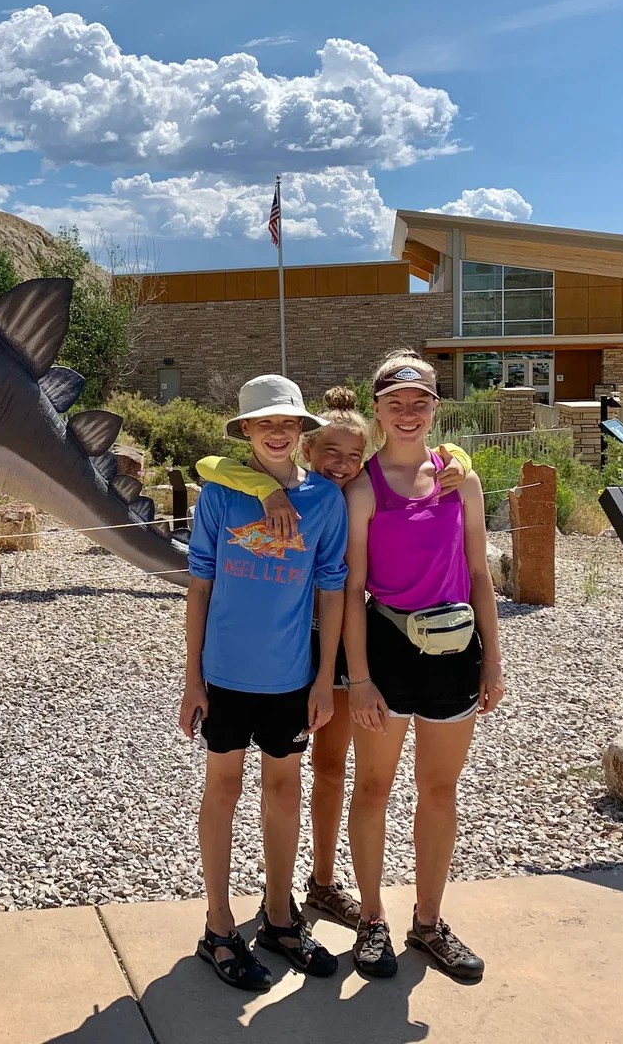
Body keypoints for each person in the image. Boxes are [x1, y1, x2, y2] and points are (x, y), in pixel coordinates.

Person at [196, 390, 473, 931]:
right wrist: (263, 489)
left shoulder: (352, 489)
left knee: (330, 766)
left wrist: (458, 457)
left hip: (351, 638)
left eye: (353, 456)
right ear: (309, 448)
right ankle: (307, 885)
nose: (342, 465)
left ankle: (322, 882)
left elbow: (429, 460)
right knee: (317, 764)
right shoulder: (294, 489)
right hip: (298, 644)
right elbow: (213, 464)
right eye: (331, 454)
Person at [179, 374, 349, 989]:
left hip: (290, 678)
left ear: (302, 431)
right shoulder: (221, 494)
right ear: (246, 430)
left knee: (284, 790)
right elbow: (200, 586)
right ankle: (218, 926)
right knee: (222, 790)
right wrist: (192, 677)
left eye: (288, 423)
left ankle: (279, 917)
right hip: (224, 676)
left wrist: (324, 680)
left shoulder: (325, 502)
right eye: (264, 423)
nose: (277, 433)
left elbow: (331, 590)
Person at [342, 351, 505, 982]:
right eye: (395, 404)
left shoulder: (460, 480)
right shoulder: (365, 487)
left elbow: (482, 574)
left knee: (440, 791)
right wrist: (358, 676)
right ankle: (372, 920)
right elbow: (354, 585)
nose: (408, 415)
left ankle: (429, 921)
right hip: (387, 651)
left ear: (436, 407)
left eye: (420, 403)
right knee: (375, 789)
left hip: (453, 653)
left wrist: (493, 660)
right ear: (378, 407)